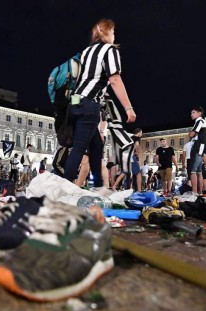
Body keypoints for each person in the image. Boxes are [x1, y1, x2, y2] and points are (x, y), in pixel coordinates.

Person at [63, 19, 136, 194]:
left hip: (75, 103)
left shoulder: (86, 51)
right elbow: (114, 79)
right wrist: (128, 107)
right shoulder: (110, 50)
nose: (114, 35)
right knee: (80, 147)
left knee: (96, 145)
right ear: (106, 32)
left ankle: (98, 187)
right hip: (89, 104)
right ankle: (63, 190)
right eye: (113, 32)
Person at [188, 107, 206, 195]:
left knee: (193, 171)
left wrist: (192, 133)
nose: (191, 114)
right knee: (199, 172)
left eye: (193, 112)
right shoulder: (203, 121)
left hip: (198, 146)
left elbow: (191, 134)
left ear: (199, 113)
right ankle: (199, 192)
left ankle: (194, 192)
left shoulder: (199, 121)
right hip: (201, 147)